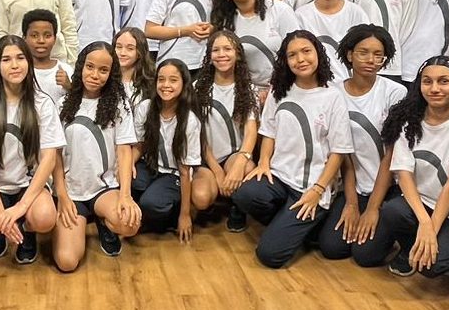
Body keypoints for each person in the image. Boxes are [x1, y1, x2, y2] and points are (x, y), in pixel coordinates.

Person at [235, 30, 352, 269]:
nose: (300, 59)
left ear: (318, 54)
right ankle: (290, 225)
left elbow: (339, 152)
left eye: (306, 51)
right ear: (285, 61)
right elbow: (269, 132)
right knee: (245, 194)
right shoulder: (280, 91)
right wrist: (263, 162)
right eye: (292, 55)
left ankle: (303, 224)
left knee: (270, 256)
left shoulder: (333, 97)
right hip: (280, 177)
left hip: (311, 187)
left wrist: (318, 190)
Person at [374, 56, 449, 278]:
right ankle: (410, 248)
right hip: (421, 203)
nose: (434, 89)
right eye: (427, 81)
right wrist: (425, 223)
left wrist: (431, 229)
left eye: (444, 81)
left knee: (430, 267)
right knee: (392, 211)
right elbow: (404, 175)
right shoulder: (409, 122)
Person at [0, 35, 64, 265]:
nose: (15, 65)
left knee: (45, 218)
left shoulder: (42, 103)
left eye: (20, 58)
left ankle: (25, 230)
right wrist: (1, 216)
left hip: (29, 186)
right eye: (6, 59)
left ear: (29, 62)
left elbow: (49, 159)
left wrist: (21, 207)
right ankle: (2, 229)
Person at [318, 24, 407, 266]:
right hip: (352, 185)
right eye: (363, 52)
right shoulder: (334, 92)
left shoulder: (395, 93)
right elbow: (342, 153)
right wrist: (351, 203)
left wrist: (373, 209)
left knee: (365, 256)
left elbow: (392, 154)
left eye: (378, 55)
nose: (371, 60)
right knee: (332, 248)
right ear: (349, 54)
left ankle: (402, 239)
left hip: (388, 186)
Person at [52, 42, 142, 271]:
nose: (95, 75)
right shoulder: (62, 105)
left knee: (129, 223)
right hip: (72, 192)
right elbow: (55, 156)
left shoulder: (119, 105)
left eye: (103, 70)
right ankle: (77, 225)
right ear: (81, 67)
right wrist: (62, 195)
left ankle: (104, 221)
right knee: (66, 262)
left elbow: (124, 150)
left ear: (111, 74)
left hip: (104, 188)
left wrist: (125, 195)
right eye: (90, 67)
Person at [193, 30, 258, 233]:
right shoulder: (198, 88)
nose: (222, 54)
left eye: (227, 49)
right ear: (209, 56)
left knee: (247, 169)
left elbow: (251, 132)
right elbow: (197, 135)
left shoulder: (247, 89)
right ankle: (214, 200)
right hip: (207, 158)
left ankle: (238, 206)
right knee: (201, 199)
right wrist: (217, 170)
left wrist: (238, 164)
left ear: (237, 54)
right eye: (216, 50)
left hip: (234, 155)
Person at [132, 58, 201, 241]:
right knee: (128, 179)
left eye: (173, 80)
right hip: (151, 166)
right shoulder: (145, 108)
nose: (166, 85)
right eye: (161, 79)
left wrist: (185, 215)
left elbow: (185, 171)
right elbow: (140, 145)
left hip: (174, 174)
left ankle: (170, 214)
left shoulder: (189, 121)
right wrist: (128, 164)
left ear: (184, 84)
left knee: (151, 203)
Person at [211, 0, 299, 97]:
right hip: (246, 94)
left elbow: (297, 51)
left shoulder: (280, 10)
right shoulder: (225, 23)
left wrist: (278, 88)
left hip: (286, 88)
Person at [295, 0, 369, 82]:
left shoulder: (356, 13)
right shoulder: (301, 15)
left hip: (348, 85)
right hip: (313, 85)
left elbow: (365, 51)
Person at [22, 8, 74, 109]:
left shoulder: (66, 70)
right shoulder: (20, 70)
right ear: (24, 38)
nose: (41, 41)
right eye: (34, 35)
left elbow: (77, 103)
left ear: (54, 39)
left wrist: (69, 87)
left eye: (47, 35)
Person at [114, 27, 155, 107]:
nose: (122, 53)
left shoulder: (150, 84)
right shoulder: (107, 80)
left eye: (130, 48)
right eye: (119, 47)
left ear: (140, 52)